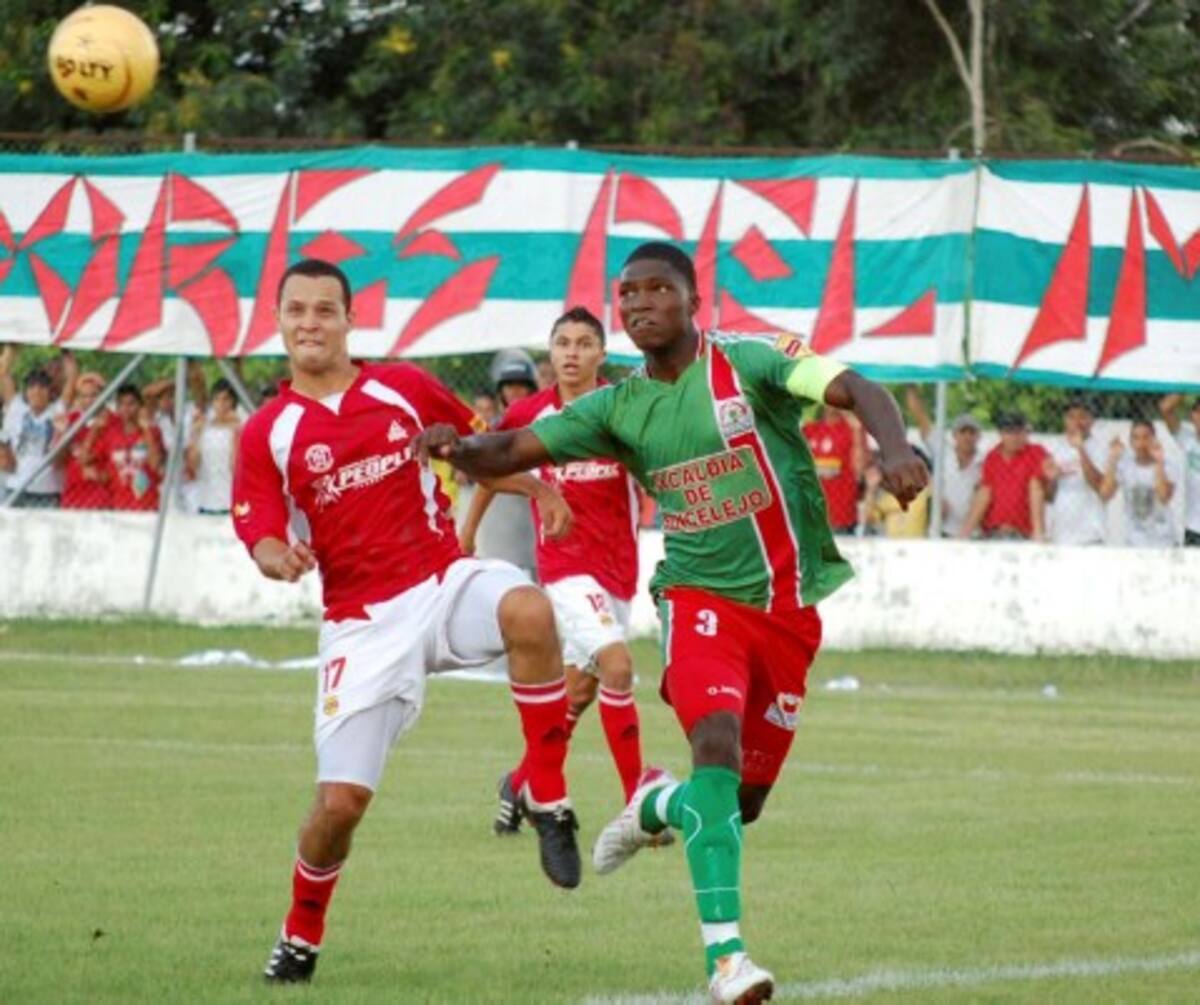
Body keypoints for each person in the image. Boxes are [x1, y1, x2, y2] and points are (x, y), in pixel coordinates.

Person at [414, 242, 927, 1004]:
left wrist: (894, 447)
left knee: (738, 802)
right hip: (696, 599)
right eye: (629, 293)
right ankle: (728, 961)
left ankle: (656, 804)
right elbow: (515, 446)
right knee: (712, 740)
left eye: (659, 289)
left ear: (693, 301)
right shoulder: (618, 406)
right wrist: (456, 446)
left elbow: (852, 385)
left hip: (786, 611)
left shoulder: (750, 362)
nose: (641, 303)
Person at [231, 259, 583, 986]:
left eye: (325, 310)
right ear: (278, 320)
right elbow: (260, 530)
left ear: (349, 319)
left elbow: (476, 448)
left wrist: (533, 483)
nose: (310, 324)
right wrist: (279, 557)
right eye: (296, 310)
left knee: (528, 607)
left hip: (440, 579)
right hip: (360, 623)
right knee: (339, 806)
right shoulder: (269, 430)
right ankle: (300, 935)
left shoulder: (403, 386)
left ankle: (548, 794)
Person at [459, 306, 648, 830]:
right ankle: (638, 803)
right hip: (565, 569)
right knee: (617, 666)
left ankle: (520, 784)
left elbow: (656, 472)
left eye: (584, 343)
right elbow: (485, 464)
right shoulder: (532, 415)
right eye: (562, 343)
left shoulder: (626, 409)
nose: (572, 352)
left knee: (581, 691)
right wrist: (468, 532)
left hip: (618, 571)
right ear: (551, 352)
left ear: (601, 355)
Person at [905, 388, 983, 537]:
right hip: (941, 529)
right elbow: (920, 417)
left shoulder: (983, 462)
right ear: (954, 435)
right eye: (963, 432)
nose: (967, 437)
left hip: (972, 533)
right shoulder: (943, 451)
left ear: (978, 436)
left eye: (972, 432)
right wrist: (911, 384)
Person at [958, 412, 1048, 540]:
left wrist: (1038, 534)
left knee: (1035, 483)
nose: (1014, 437)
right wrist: (965, 533)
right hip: (993, 531)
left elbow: (1037, 488)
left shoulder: (1035, 452)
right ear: (1001, 434)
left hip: (1023, 533)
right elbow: (985, 493)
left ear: (1025, 433)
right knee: (984, 490)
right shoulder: (992, 457)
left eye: (1019, 432)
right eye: (1009, 432)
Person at [1041, 398, 1112, 545]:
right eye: (1072, 417)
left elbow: (1099, 486)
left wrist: (1081, 449)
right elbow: (1048, 497)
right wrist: (1052, 479)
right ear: (1065, 420)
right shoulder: (1054, 447)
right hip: (1061, 534)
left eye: (1083, 416)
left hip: (1091, 534)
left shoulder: (1101, 447)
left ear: (1092, 421)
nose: (1077, 422)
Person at [1104, 419, 1179, 547]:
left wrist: (1159, 463)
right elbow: (1106, 493)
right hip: (1133, 541)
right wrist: (1112, 460)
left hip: (1163, 540)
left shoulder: (1168, 465)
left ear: (1154, 439)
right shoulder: (1125, 465)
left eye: (1146, 437)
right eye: (1136, 438)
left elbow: (1164, 497)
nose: (1141, 443)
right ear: (1130, 442)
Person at [91, 383, 165, 511]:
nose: (127, 408)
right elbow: (87, 459)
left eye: (131, 404)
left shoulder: (152, 432)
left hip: (147, 504)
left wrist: (146, 429)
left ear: (140, 406)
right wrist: (94, 430)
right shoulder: (110, 434)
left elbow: (155, 464)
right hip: (118, 503)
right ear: (117, 408)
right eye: (122, 404)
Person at [1, 369, 66, 507]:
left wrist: (66, 351)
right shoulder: (17, 410)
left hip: (48, 491)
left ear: (50, 391)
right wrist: (12, 349)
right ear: (26, 391)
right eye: (31, 386)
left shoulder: (58, 409)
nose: (36, 391)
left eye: (42, 386)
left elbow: (71, 376)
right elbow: (4, 372)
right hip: (16, 487)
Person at [58, 372, 115, 510]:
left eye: (93, 395)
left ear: (103, 396)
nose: (89, 400)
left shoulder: (114, 421)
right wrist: (62, 433)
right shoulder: (70, 420)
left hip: (102, 496)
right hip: (73, 495)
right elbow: (58, 461)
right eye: (83, 396)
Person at [802, 405, 862, 534]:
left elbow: (859, 469)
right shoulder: (809, 430)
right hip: (812, 513)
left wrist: (857, 430)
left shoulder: (852, 430)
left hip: (841, 516)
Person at [186, 378, 242, 515]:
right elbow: (193, 465)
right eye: (217, 400)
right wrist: (195, 435)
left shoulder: (241, 427)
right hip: (205, 502)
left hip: (231, 505)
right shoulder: (204, 429)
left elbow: (236, 467)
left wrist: (237, 432)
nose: (221, 405)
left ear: (233, 403)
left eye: (225, 400)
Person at [1159, 394, 1200, 546]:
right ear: (1193, 416)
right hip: (1193, 526)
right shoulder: (1187, 439)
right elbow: (1165, 408)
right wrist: (1188, 382)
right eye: (1198, 412)